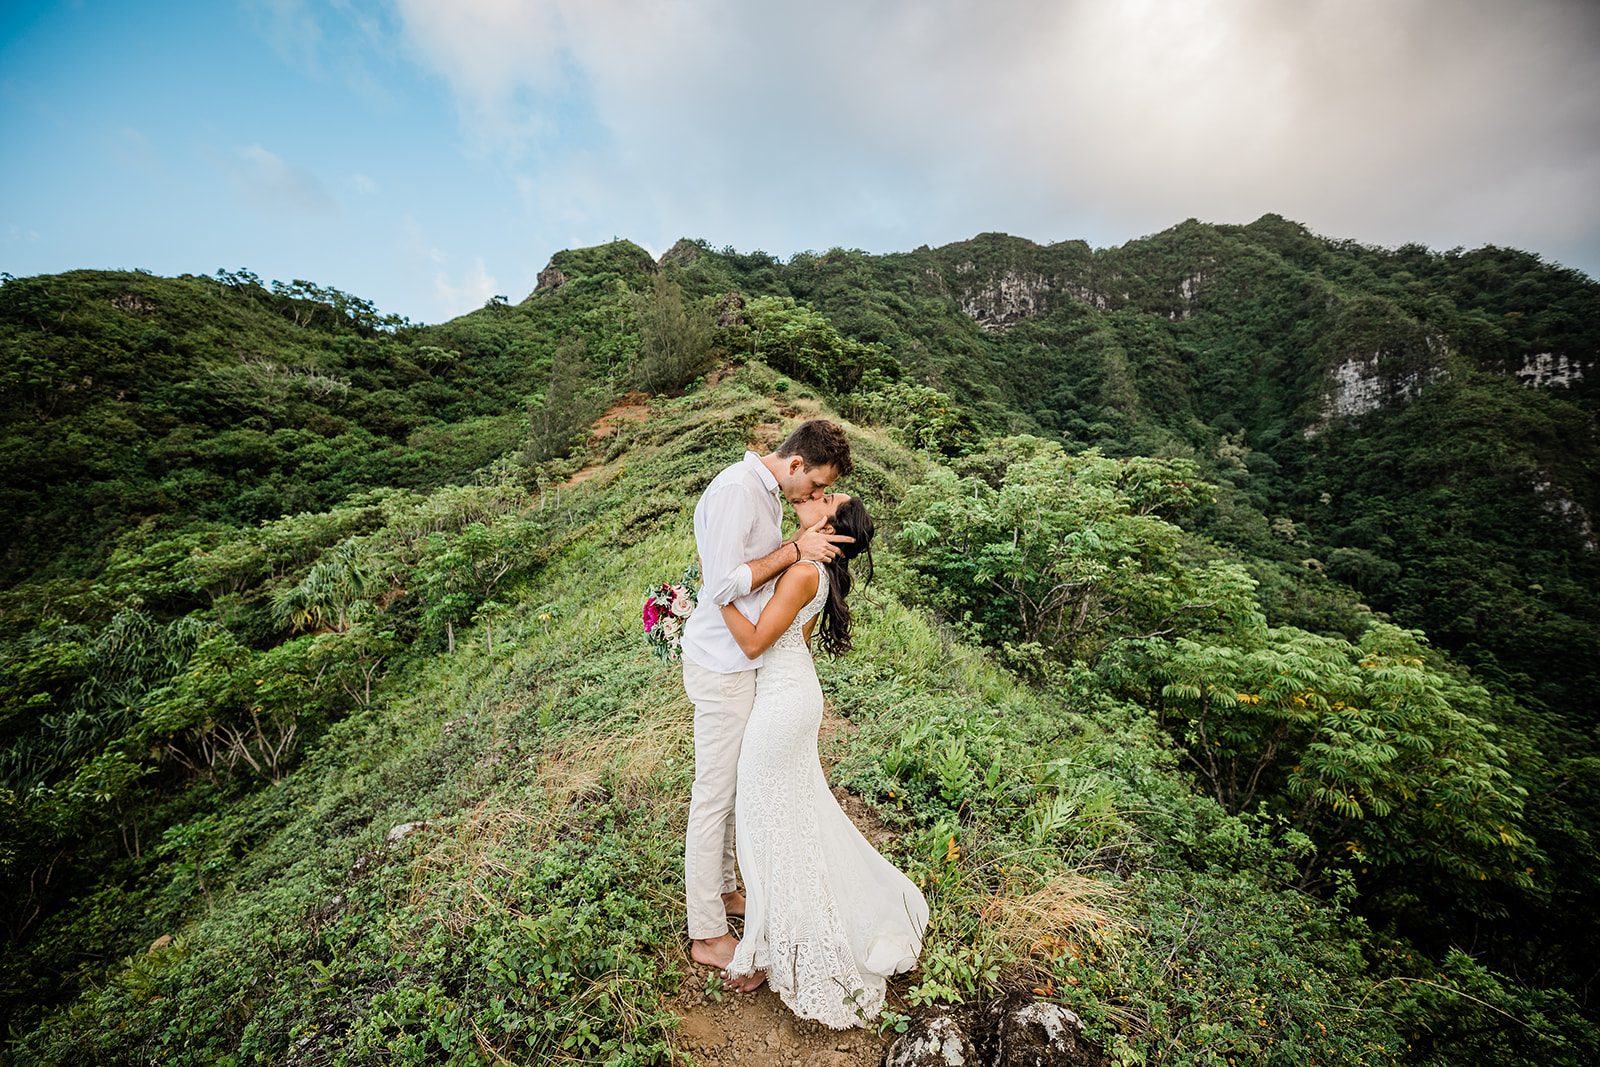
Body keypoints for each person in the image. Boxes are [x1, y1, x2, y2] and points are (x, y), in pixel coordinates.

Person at [719, 492, 929, 1027]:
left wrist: (713, 597)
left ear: (832, 528)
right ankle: (774, 928)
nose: (815, 498)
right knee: (788, 818)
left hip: (784, 704)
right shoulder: (815, 570)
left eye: (827, 499)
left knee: (766, 820)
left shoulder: (803, 572)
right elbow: (793, 641)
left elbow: (753, 645)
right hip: (794, 695)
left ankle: (771, 946)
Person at [681, 420, 855, 975]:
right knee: (714, 794)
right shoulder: (739, 490)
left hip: (745, 662)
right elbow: (725, 584)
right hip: (723, 665)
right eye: (817, 484)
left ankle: (729, 889)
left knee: (734, 787)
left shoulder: (766, 494)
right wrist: (794, 548)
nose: (815, 497)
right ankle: (707, 931)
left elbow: (748, 582)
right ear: (798, 464)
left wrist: (794, 548)